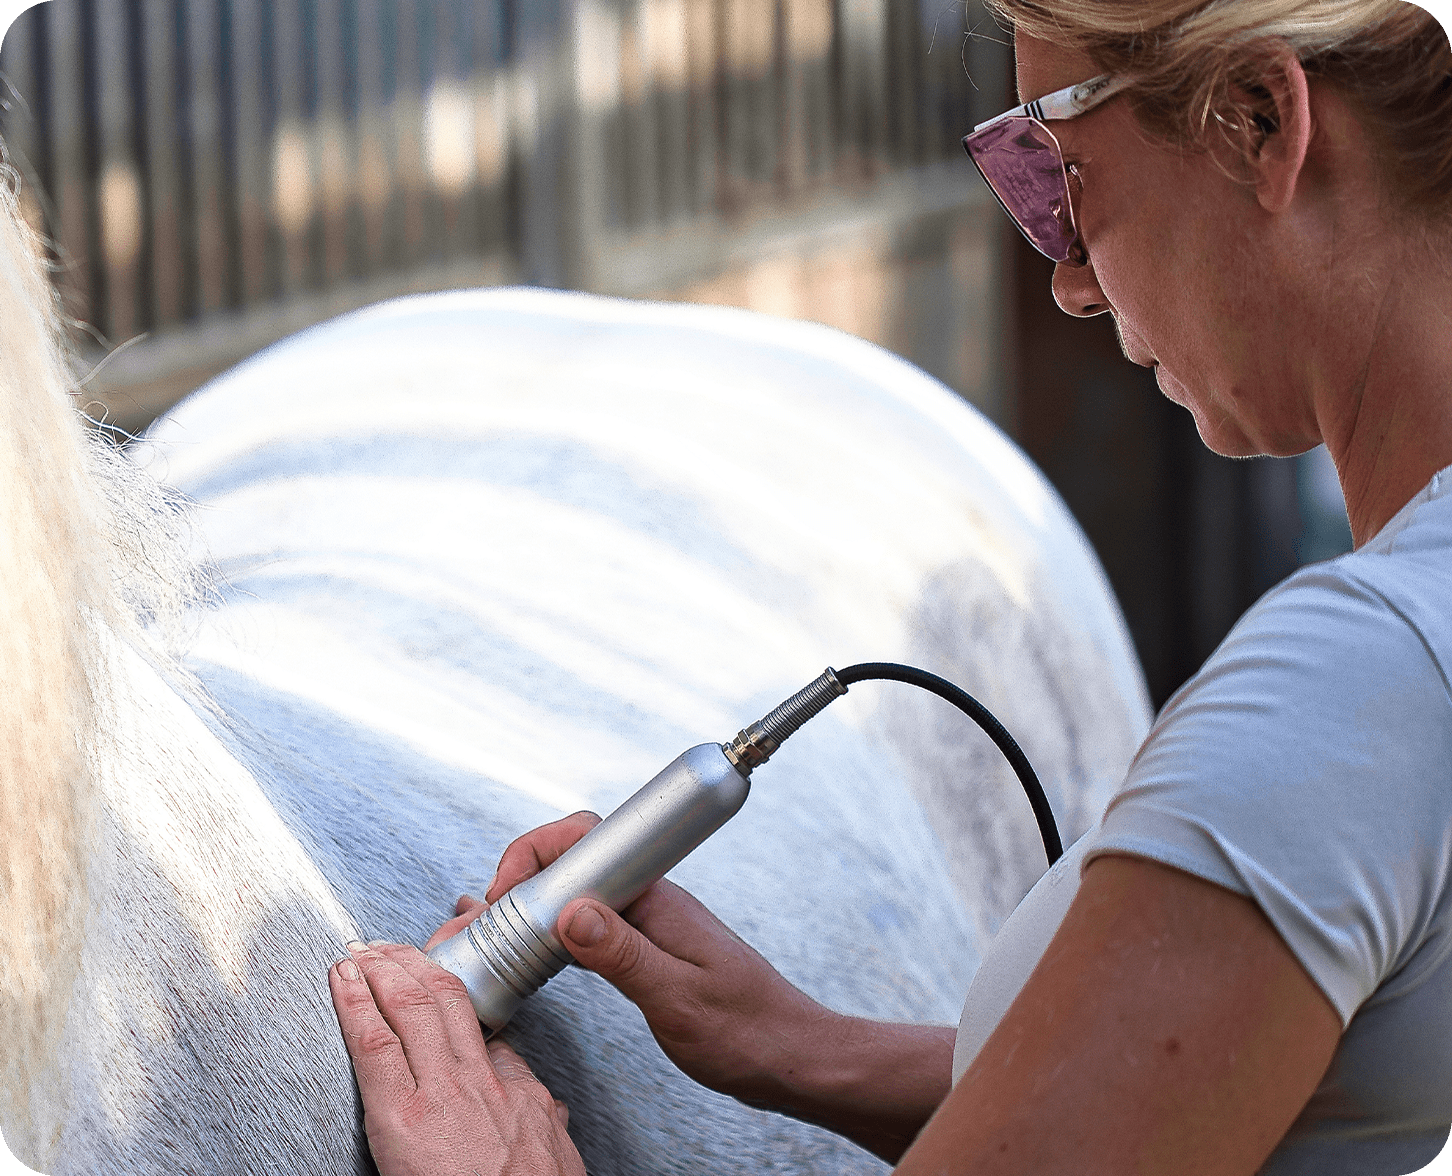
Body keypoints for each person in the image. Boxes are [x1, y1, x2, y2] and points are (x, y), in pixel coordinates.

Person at [328, 0, 1452, 1171]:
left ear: (1262, 120)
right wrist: (800, 1049)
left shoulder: (1347, 687)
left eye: (1055, 173)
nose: (1068, 280)